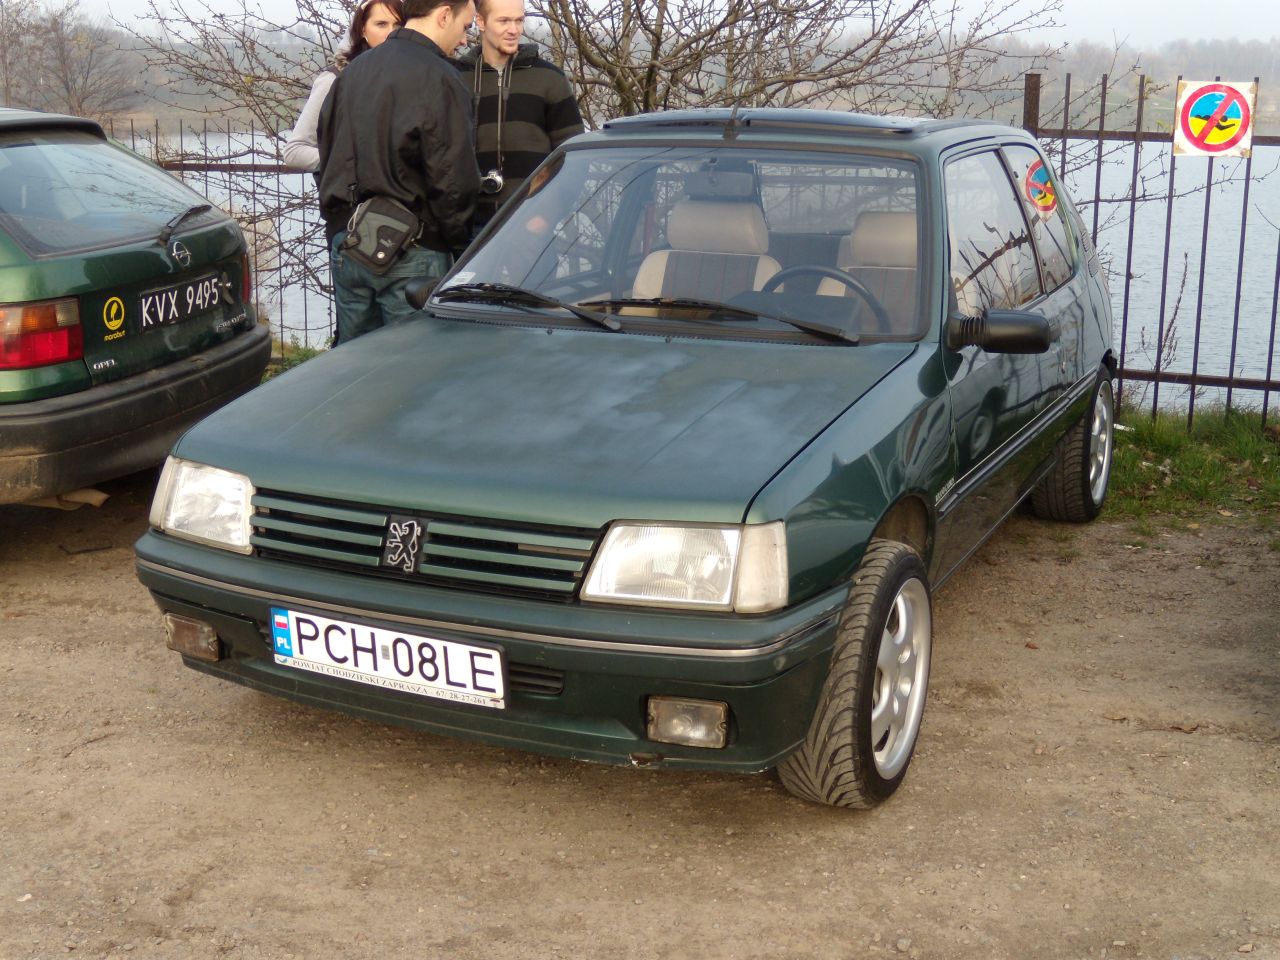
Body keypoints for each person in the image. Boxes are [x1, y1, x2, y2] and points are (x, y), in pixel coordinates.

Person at [317, 0, 481, 343]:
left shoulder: (353, 72)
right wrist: (461, 248)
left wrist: (338, 226)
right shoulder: (441, 78)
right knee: (413, 368)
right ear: (444, 15)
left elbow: (326, 152)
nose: (465, 40)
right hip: (415, 250)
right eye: (465, 26)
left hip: (350, 242)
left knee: (351, 368)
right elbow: (453, 181)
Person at [454, 0, 583, 229]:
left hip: (528, 227)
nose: (514, 30)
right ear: (481, 21)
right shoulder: (456, 78)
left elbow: (574, 157)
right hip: (465, 230)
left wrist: (546, 217)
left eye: (519, 20)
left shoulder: (549, 79)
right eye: (504, 21)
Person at [282, 0, 404, 175]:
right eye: (381, 24)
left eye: (398, 25)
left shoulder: (411, 78)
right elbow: (294, 151)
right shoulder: (335, 80)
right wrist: (353, 163)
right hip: (356, 191)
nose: (391, 32)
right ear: (362, 29)